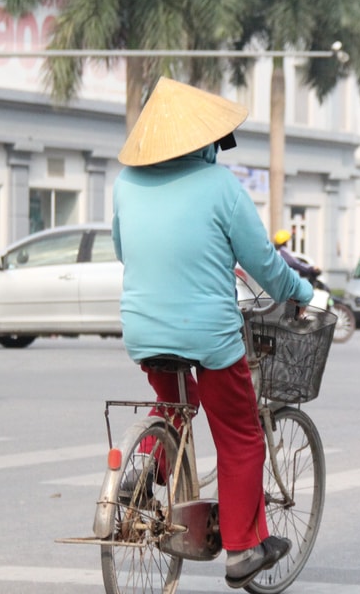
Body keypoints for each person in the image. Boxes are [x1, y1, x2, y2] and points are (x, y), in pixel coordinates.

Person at [111, 77, 313, 589]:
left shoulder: (124, 184)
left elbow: (122, 250)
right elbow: (262, 261)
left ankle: (146, 466)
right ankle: (244, 549)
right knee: (241, 434)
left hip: (143, 329)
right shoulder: (222, 186)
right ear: (203, 144)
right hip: (209, 334)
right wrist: (300, 292)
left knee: (176, 402)